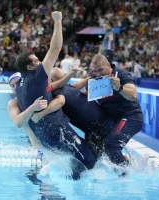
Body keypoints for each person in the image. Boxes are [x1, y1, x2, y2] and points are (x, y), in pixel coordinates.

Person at [14, 11, 97, 178]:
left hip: (43, 135)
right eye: (36, 61)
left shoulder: (20, 86)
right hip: (56, 129)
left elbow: (49, 88)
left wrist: (68, 77)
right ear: (30, 67)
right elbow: (55, 48)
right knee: (89, 161)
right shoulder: (37, 76)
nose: (40, 63)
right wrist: (58, 21)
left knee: (73, 162)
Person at [86, 54, 143, 167]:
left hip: (131, 117)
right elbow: (85, 94)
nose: (98, 74)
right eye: (95, 71)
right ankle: (126, 162)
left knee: (110, 145)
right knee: (93, 141)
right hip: (113, 120)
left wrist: (119, 88)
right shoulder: (95, 80)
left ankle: (125, 173)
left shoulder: (121, 74)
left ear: (108, 65)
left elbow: (133, 94)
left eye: (100, 70)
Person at [47, 67, 114, 157]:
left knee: (93, 161)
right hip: (102, 123)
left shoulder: (57, 92)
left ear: (51, 80)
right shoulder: (67, 87)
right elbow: (76, 85)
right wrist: (89, 78)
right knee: (103, 159)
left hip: (99, 128)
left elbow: (60, 101)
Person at [7, 72, 65, 149]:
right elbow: (18, 123)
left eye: (17, 83)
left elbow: (60, 100)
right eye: (12, 85)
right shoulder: (13, 103)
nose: (15, 87)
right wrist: (33, 107)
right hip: (38, 147)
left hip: (56, 137)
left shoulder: (40, 93)